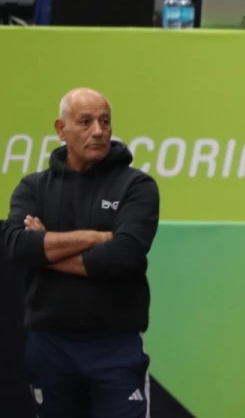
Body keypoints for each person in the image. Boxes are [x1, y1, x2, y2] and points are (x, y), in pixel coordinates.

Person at [2, 88, 160, 416]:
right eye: (85, 122)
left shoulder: (137, 186)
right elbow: (18, 245)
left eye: (105, 122)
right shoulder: (33, 187)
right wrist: (94, 237)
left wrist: (47, 250)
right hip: (50, 346)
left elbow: (124, 256)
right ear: (61, 129)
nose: (98, 131)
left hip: (114, 346)